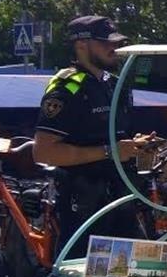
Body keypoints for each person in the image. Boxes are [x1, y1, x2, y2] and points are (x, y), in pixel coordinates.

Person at [33, 16, 152, 257]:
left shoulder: (114, 85)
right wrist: (110, 151)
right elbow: (43, 152)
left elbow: (120, 140)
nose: (114, 48)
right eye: (105, 43)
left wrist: (141, 149)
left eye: (116, 43)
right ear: (81, 45)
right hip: (85, 208)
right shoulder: (66, 89)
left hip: (121, 200)